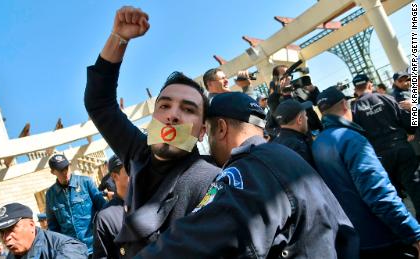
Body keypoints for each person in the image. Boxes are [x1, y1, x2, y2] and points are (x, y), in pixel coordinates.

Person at [136, 92, 358, 258]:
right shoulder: (284, 156)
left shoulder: (247, 168)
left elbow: (201, 237)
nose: (209, 144)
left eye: (209, 133)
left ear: (221, 128)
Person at [84, 6, 220, 257]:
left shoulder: (210, 181)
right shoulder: (138, 153)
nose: (173, 114)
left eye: (188, 109)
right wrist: (119, 37)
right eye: (165, 105)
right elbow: (99, 102)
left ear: (202, 131)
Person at [313, 87, 420, 258]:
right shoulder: (351, 139)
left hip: (356, 237)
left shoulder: (318, 143)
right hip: (382, 235)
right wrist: (413, 233)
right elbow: (379, 194)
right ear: (344, 104)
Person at [351, 74, 420, 219]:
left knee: (392, 194)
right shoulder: (386, 98)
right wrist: (410, 131)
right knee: (415, 187)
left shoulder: (354, 110)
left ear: (355, 89)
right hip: (401, 148)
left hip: (379, 157)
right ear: (370, 85)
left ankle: (407, 230)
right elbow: (410, 122)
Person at [45, 154, 106, 256]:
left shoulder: (86, 182)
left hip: (97, 245)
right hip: (73, 252)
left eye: (66, 168)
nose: (65, 172)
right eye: (61, 170)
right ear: (53, 172)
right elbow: (53, 227)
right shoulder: (51, 195)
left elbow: (104, 208)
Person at [0, 203, 88, 258]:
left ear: (31, 225)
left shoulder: (66, 248)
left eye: (11, 229)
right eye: (1, 232)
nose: (6, 238)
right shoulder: (12, 255)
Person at [93, 155, 129, 259]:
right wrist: (106, 193)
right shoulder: (105, 218)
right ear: (114, 176)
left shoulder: (153, 199)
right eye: (129, 169)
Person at [272, 99, 315, 167]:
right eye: (305, 115)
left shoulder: (274, 144)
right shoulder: (299, 147)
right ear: (300, 120)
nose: (307, 118)